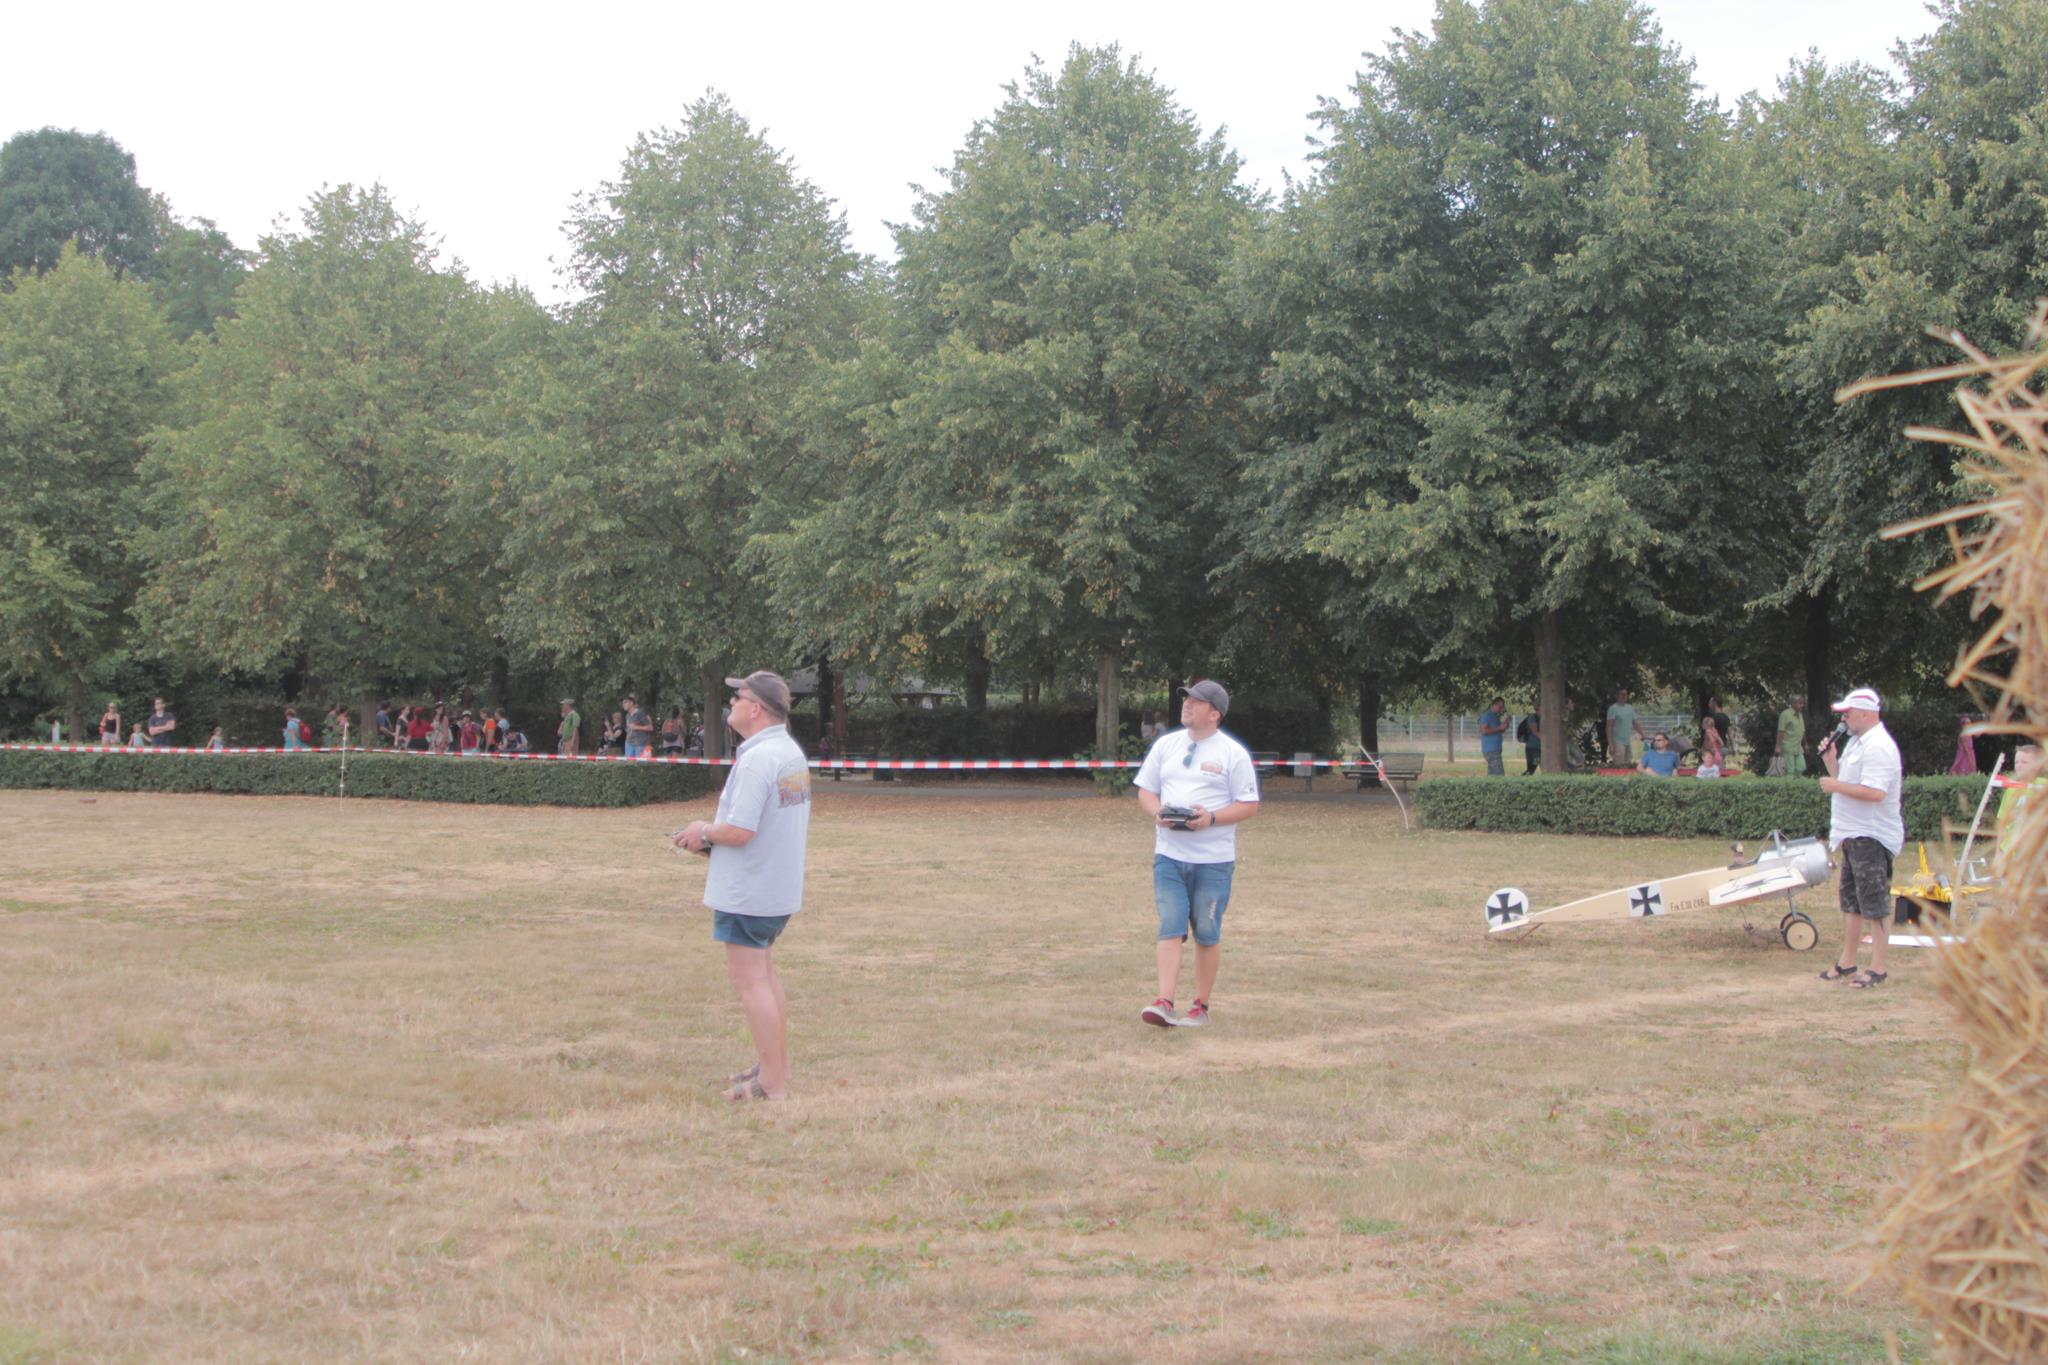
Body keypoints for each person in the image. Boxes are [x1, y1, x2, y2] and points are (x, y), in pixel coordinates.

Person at [674, 671, 812, 1102]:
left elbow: (740, 829)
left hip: (750, 890)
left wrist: (702, 831)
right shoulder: (788, 752)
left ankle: (772, 1085)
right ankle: (775, 1067)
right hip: (774, 887)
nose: (731, 702)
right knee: (765, 977)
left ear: (756, 709)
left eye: (738, 696)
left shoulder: (757, 759)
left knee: (751, 982)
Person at [1132, 679, 1261, 1028]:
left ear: (1215, 713)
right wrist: (1157, 812)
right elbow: (1146, 791)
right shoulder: (1166, 745)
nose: (1187, 704)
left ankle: (1200, 1007)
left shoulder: (1233, 753)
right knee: (1170, 926)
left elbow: (1249, 805)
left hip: (1214, 862)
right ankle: (1164, 1002)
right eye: (1186, 699)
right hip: (1169, 856)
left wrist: (1211, 818)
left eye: (1196, 701)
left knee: (1206, 932)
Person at [1816, 688, 1904, 989]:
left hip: (1872, 835)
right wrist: (1831, 761)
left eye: (1848, 713)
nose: (1844, 718)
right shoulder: (1857, 742)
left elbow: (1876, 793)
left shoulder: (1878, 746)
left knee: (1875, 903)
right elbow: (1847, 780)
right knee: (1851, 901)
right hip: (1852, 833)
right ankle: (1848, 961)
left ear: (1866, 713)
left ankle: (1878, 967)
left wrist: (1835, 786)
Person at [1998, 743, 2044, 848]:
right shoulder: (2011, 790)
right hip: (2010, 848)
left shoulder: (2043, 787)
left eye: (2024, 762)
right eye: (2016, 762)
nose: (2019, 765)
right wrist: (1998, 852)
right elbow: (2002, 823)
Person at [1606, 688, 1644, 766]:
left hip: (1627, 740)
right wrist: (1610, 744)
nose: (1624, 696)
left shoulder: (1630, 708)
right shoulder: (1613, 708)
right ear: (1617, 696)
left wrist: (1642, 734)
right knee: (1619, 763)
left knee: (1628, 763)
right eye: (1622, 694)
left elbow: (1635, 723)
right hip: (1617, 740)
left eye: (1626, 694)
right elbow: (1609, 727)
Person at [1775, 695, 1807, 778]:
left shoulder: (1800, 715)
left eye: (1802, 703)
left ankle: (1796, 783)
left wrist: (1805, 744)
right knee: (1790, 770)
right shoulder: (1785, 714)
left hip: (1798, 747)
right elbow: (1780, 731)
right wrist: (1778, 747)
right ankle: (1789, 784)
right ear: (1793, 704)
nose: (1802, 705)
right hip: (1788, 746)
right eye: (1800, 703)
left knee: (1801, 767)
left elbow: (1802, 731)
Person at [1479, 697, 1507, 776]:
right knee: (1499, 775)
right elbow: (1483, 731)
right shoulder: (1487, 715)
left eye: (1502, 707)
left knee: (1492, 776)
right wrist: (1499, 728)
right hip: (1491, 750)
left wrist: (1506, 723)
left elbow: (1500, 730)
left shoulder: (1495, 716)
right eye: (1500, 707)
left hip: (1496, 750)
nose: (1501, 710)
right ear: (1494, 705)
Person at [1517, 707, 1542, 774]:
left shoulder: (1542, 718)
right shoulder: (1532, 718)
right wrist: (1546, 741)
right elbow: (1535, 732)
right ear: (1538, 709)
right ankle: (1523, 779)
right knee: (1532, 768)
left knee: (1532, 768)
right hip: (1533, 748)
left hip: (1538, 748)